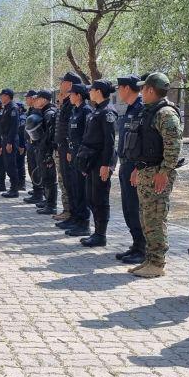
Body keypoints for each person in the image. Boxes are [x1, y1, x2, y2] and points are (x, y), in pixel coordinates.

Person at [125, 73, 183, 278]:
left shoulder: (165, 114)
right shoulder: (150, 111)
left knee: (156, 218)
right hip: (146, 172)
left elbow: (174, 147)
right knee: (147, 218)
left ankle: (158, 263)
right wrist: (137, 168)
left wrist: (164, 172)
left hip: (158, 175)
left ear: (150, 90)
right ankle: (150, 259)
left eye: (143, 89)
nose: (141, 92)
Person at [77, 80, 118, 247]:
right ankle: (97, 232)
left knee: (100, 199)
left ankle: (101, 235)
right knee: (91, 198)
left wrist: (106, 164)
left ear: (99, 91)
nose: (89, 92)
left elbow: (109, 142)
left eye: (92, 90)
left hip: (101, 162)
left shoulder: (107, 112)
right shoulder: (97, 110)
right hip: (91, 161)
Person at [115, 75, 146, 264]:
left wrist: (138, 167)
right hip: (125, 164)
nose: (118, 91)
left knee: (136, 208)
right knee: (128, 208)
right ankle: (136, 244)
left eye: (119, 87)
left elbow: (144, 142)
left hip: (135, 166)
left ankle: (142, 248)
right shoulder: (130, 108)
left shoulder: (142, 109)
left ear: (127, 88)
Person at [58, 83, 91, 236]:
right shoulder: (75, 110)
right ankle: (75, 218)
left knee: (81, 190)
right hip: (73, 153)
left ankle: (83, 223)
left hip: (81, 155)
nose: (69, 96)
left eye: (71, 94)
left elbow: (86, 136)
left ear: (78, 95)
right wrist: (70, 150)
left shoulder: (85, 111)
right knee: (73, 187)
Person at [55, 72, 81, 221]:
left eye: (63, 82)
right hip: (62, 147)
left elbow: (71, 130)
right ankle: (69, 211)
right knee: (65, 181)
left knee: (71, 182)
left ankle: (73, 214)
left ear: (70, 85)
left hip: (69, 149)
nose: (60, 84)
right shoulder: (65, 103)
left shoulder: (72, 105)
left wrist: (69, 149)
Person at [31, 91, 59, 215]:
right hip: (42, 149)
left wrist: (48, 153)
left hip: (47, 151)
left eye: (38, 99)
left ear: (44, 100)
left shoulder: (49, 113)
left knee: (49, 178)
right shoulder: (43, 112)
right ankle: (47, 200)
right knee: (45, 176)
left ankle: (51, 205)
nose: (35, 101)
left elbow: (50, 136)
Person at [0, 89, 22, 198]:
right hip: (5, 139)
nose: (1, 97)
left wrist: (10, 142)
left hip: (10, 140)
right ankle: (12, 188)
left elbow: (14, 126)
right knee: (7, 164)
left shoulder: (13, 108)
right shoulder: (6, 108)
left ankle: (14, 189)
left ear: (7, 96)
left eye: (2, 95)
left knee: (11, 165)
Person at [22, 91, 44, 205]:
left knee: (36, 169)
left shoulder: (39, 111)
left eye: (28, 98)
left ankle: (39, 193)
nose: (27, 100)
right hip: (30, 143)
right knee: (31, 168)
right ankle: (37, 191)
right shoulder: (30, 110)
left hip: (36, 144)